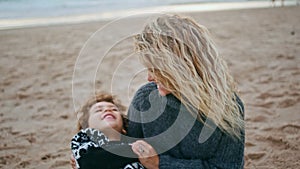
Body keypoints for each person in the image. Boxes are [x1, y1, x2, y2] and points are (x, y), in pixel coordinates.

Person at [126, 14, 245, 169]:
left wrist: (160, 164)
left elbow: (227, 167)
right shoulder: (144, 99)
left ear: (180, 68)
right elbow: (127, 154)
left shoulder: (229, 107)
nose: (149, 77)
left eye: (155, 69)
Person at [70, 92, 146, 169]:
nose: (107, 110)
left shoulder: (133, 142)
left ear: (124, 128)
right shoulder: (83, 139)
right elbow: (90, 160)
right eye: (98, 110)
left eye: (114, 109)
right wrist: (139, 152)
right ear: (86, 125)